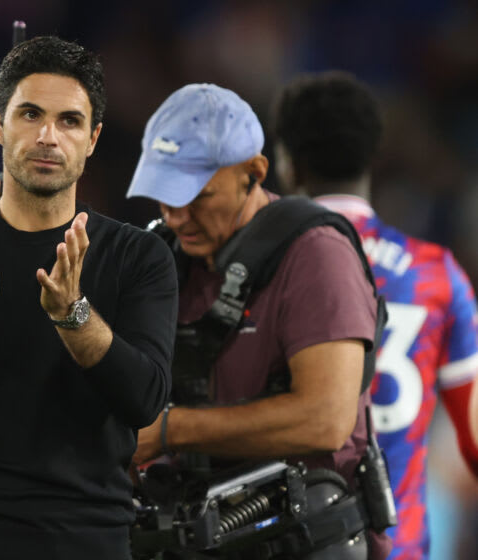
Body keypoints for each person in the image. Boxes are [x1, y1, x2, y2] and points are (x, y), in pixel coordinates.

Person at [0, 36, 178, 560]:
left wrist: (73, 315)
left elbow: (143, 400)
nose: (47, 136)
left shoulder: (139, 257)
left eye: (69, 121)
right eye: (30, 114)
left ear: (93, 138)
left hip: (86, 541)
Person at [127, 83, 391, 559]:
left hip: (306, 538)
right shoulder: (166, 255)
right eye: (164, 196)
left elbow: (326, 420)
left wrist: (169, 430)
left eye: (198, 196)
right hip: (199, 533)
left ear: (254, 173)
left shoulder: (316, 254)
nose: (177, 216)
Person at [272, 71, 478, 559]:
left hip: (291, 542)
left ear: (286, 162)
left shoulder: (261, 267)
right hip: (401, 546)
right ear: (373, 158)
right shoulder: (436, 274)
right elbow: (473, 440)